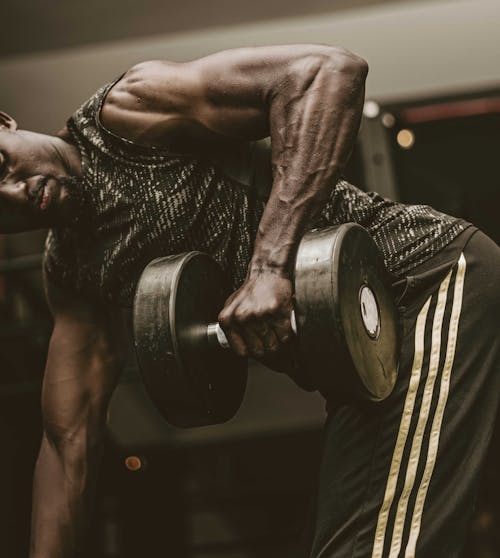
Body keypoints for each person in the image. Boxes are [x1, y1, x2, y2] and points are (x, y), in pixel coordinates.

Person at [0, 44, 498, 558]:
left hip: (425, 278)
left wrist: (268, 267)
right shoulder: (75, 271)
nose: (14, 193)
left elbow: (327, 71)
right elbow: (68, 445)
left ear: (4, 123)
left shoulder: (129, 114)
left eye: (0, 164)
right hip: (360, 367)